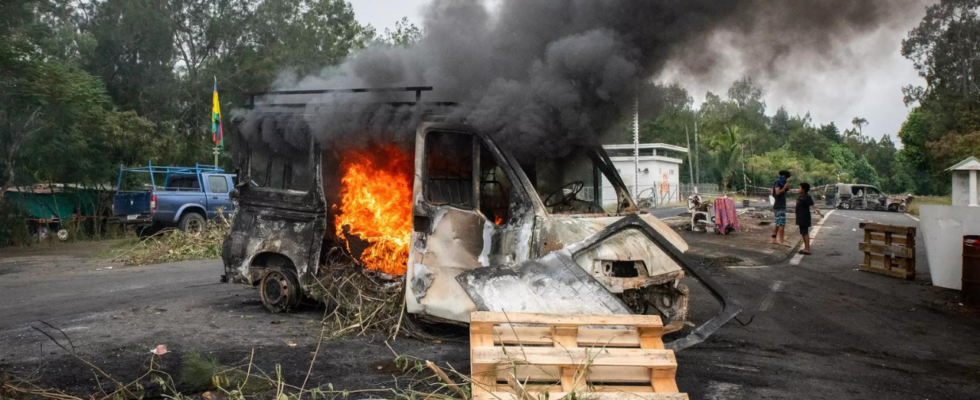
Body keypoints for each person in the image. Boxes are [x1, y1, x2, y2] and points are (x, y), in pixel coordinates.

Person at [796, 182, 824, 255]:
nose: (798, 189)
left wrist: (820, 213)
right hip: (800, 217)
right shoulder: (801, 196)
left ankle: (807, 249)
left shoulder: (807, 197)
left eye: (799, 188)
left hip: (804, 217)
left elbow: (813, 205)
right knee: (802, 233)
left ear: (804, 189)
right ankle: (805, 248)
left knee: (805, 233)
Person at [770, 170, 792, 246]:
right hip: (779, 206)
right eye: (785, 177)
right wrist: (784, 188)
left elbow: (787, 191)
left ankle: (773, 239)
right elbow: (777, 192)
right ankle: (781, 240)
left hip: (780, 205)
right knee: (782, 224)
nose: (785, 179)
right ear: (782, 176)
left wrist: (787, 187)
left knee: (777, 223)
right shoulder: (777, 183)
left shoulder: (782, 183)